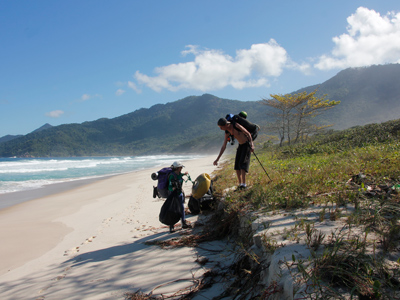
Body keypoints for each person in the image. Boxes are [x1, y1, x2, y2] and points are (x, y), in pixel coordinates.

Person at [213, 118, 254, 190]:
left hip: (246, 144)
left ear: (226, 125)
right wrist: (217, 159)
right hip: (241, 145)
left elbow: (248, 133)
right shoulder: (227, 132)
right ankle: (240, 184)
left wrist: (252, 145)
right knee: (237, 165)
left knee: (242, 164)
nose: (220, 129)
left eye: (221, 127)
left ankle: (244, 184)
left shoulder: (236, 125)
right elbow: (224, 146)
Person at [168, 161, 191, 232]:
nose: (181, 168)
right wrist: (173, 188)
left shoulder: (179, 174)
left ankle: (183, 223)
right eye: (180, 167)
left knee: (182, 208)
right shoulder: (172, 175)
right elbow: (169, 187)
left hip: (180, 194)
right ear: (177, 168)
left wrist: (185, 174)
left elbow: (181, 175)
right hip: (173, 195)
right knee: (173, 210)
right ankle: (171, 226)